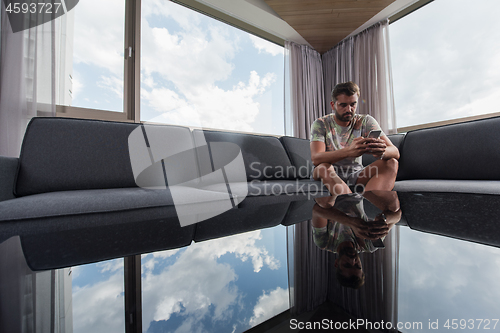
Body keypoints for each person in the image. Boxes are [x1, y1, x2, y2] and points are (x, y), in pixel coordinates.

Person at [310, 81, 399, 195]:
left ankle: (371, 206)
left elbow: (395, 152)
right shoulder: (321, 123)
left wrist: (382, 151)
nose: (349, 109)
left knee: (391, 162)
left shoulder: (366, 121)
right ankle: (351, 206)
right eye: (343, 105)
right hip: (326, 172)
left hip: (355, 174)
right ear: (333, 105)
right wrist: (349, 151)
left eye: (353, 104)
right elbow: (316, 158)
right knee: (324, 167)